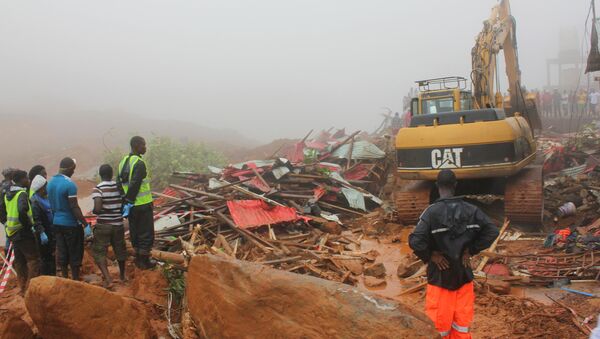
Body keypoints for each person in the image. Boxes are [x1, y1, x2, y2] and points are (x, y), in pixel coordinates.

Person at [408, 169, 499, 339]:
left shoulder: (431, 212)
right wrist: (470, 250)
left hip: (440, 279)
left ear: (437, 186)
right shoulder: (471, 210)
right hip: (463, 276)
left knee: (438, 329)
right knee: (461, 326)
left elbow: (415, 241)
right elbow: (492, 231)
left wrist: (431, 256)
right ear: (455, 185)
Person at [47, 157, 91, 280]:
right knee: (75, 252)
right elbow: (74, 207)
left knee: (62, 250)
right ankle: (75, 279)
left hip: (56, 222)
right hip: (70, 224)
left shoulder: (50, 183)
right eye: (73, 169)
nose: (74, 172)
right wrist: (85, 224)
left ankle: (65, 277)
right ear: (70, 169)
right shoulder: (70, 184)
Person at [117, 136, 155, 269]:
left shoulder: (123, 162)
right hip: (143, 205)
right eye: (143, 145)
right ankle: (144, 262)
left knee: (135, 232)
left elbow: (119, 183)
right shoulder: (139, 163)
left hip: (131, 207)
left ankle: (138, 259)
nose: (145, 147)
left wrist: (125, 202)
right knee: (146, 233)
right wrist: (129, 200)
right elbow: (135, 184)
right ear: (136, 145)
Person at [0, 170, 40, 294]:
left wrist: (6, 223)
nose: (28, 181)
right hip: (23, 231)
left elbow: (2, 210)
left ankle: (22, 288)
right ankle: (30, 289)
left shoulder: (8, 193)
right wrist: (28, 225)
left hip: (12, 232)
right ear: (21, 180)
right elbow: (23, 210)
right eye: (26, 179)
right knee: (33, 259)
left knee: (20, 260)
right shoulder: (21, 193)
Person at [91, 164, 127, 287]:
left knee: (99, 252)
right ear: (111, 174)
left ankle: (108, 279)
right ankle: (122, 276)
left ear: (100, 175)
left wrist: (95, 211)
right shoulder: (119, 187)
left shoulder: (98, 189)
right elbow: (123, 204)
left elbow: (97, 207)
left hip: (103, 225)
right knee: (120, 250)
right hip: (118, 224)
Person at [30, 175, 56, 276]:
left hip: (51, 230)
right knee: (46, 258)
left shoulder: (46, 198)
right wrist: (41, 232)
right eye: (46, 186)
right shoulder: (35, 202)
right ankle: (46, 277)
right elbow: (36, 220)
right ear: (41, 188)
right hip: (44, 233)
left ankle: (52, 276)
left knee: (52, 256)